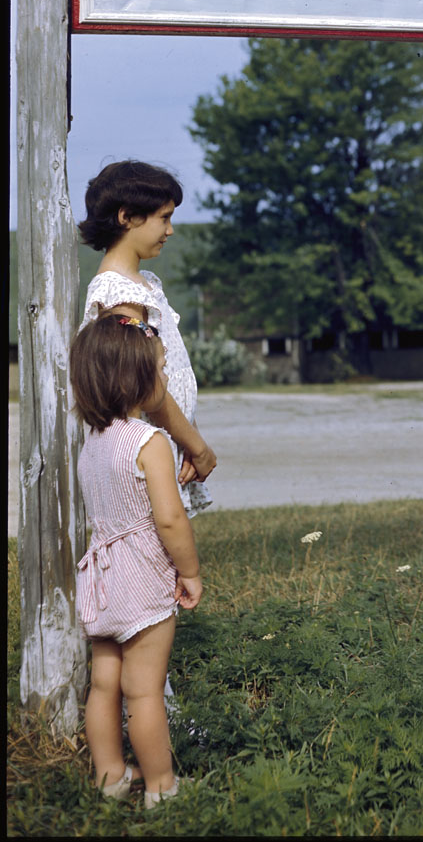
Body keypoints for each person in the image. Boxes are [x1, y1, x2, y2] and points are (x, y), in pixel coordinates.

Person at [71, 314, 203, 808]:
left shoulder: (93, 444)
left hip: (100, 577)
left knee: (104, 684)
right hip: (142, 578)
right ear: (136, 379)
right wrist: (188, 572)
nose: (165, 380)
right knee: (143, 692)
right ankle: (161, 787)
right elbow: (169, 520)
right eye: (161, 370)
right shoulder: (150, 443)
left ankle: (109, 777)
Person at [78, 161, 216, 514]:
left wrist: (186, 435)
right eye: (164, 218)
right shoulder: (118, 295)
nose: (170, 230)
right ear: (127, 216)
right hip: (143, 445)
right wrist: (196, 445)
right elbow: (146, 385)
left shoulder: (145, 283)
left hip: (168, 436)